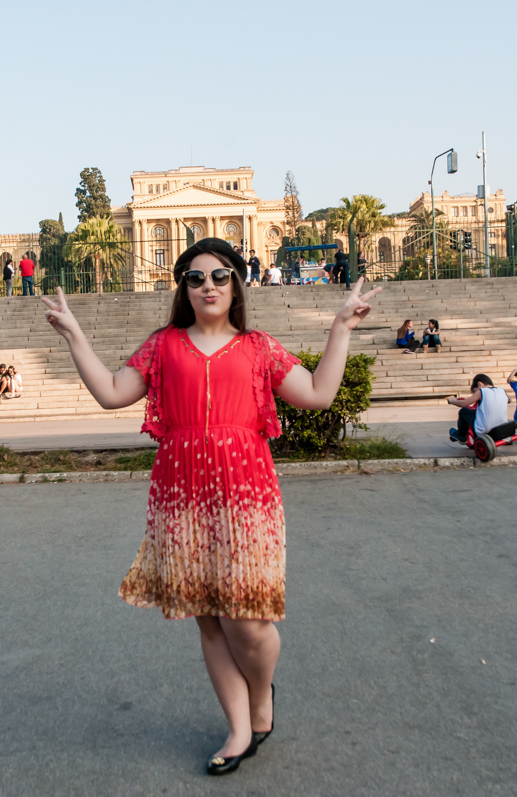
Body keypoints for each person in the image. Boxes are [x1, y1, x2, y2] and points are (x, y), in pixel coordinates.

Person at [39, 236, 381, 776]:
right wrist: (75, 335)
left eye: (219, 276)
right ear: (184, 288)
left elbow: (317, 393)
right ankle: (239, 728)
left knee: (247, 620)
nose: (208, 286)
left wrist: (340, 328)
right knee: (210, 622)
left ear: (236, 283)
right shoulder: (162, 346)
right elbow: (110, 391)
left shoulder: (259, 347)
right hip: (182, 498)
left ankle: (262, 698)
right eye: (195, 278)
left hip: (247, 495)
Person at [446, 373, 511, 443]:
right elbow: (509, 400)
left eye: (474, 391)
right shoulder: (502, 390)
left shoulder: (481, 391)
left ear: (480, 384)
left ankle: (461, 436)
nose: (475, 394)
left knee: (463, 411)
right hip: (502, 429)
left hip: (484, 430)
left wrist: (453, 401)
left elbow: (464, 403)